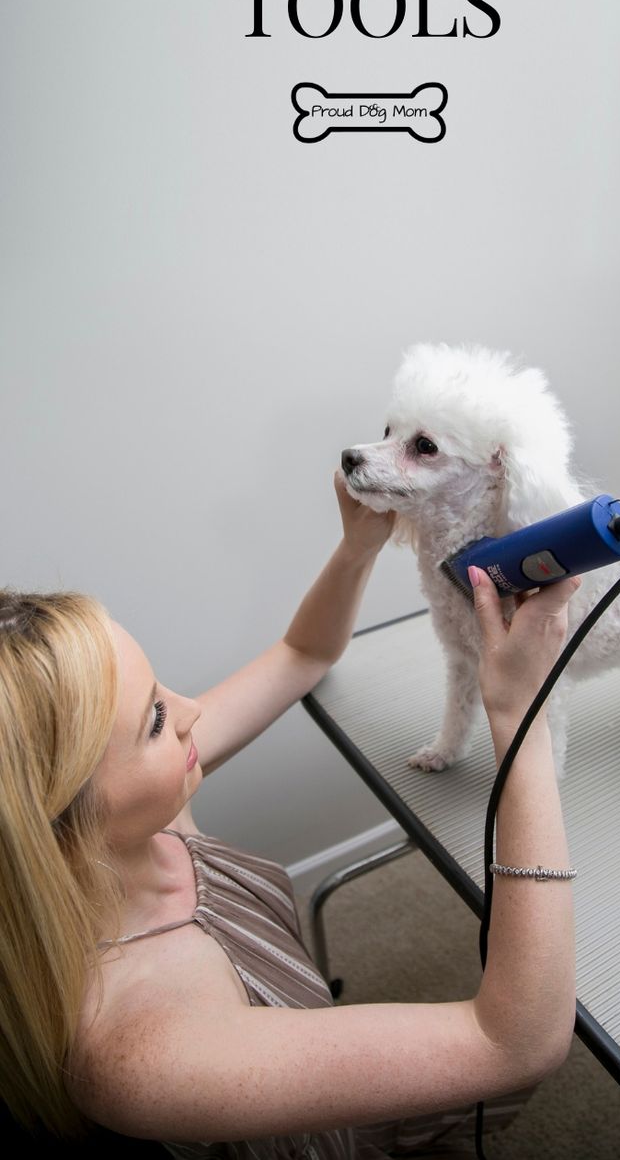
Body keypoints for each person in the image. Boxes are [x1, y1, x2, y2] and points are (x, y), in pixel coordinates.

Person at [0, 470, 580, 1155]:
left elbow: (304, 653)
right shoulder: (141, 1051)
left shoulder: (140, 816)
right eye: (154, 719)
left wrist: (357, 548)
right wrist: (522, 715)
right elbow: (517, 1041)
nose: (191, 713)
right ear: (54, 816)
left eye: (160, 688)